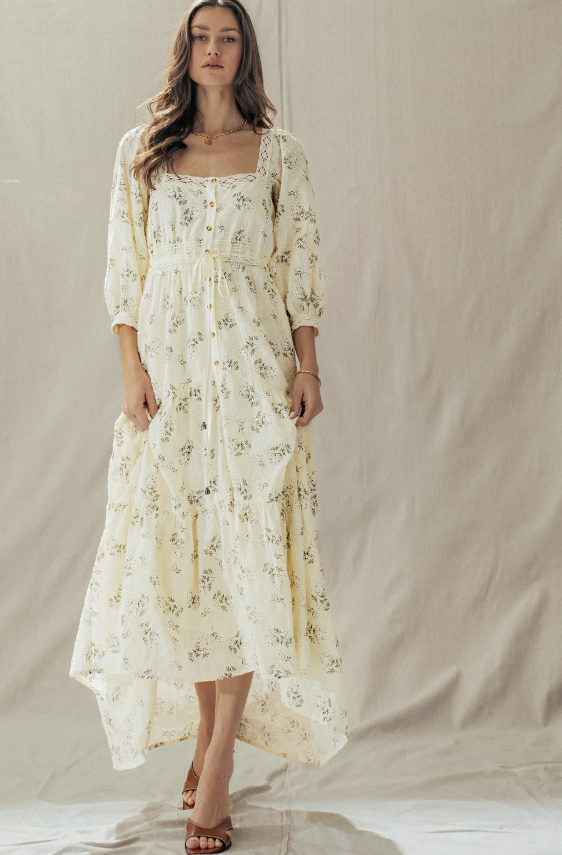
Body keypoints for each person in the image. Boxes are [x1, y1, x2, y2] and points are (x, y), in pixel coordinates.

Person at [69, 1, 348, 851]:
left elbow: (299, 263)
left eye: (229, 37)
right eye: (202, 36)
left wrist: (307, 364)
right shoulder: (142, 152)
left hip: (255, 375)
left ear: (245, 53)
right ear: (184, 51)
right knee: (188, 564)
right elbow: (127, 268)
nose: (214, 50)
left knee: (251, 550)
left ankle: (219, 763)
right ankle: (206, 731)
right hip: (173, 382)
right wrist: (132, 372)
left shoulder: (278, 156)